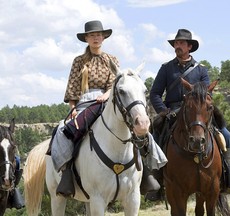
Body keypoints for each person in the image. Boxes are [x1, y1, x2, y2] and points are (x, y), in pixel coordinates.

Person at [51, 20, 162, 198]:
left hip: (110, 101)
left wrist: (108, 94)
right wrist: (73, 108)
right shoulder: (79, 61)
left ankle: (146, 172)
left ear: (104, 37)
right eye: (92, 35)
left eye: (99, 35)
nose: (96, 38)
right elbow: (72, 87)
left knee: (138, 128)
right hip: (85, 103)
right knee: (67, 131)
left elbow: (118, 84)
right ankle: (67, 173)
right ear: (86, 38)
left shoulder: (112, 60)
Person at [148, 29, 230, 200]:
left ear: (189, 47)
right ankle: (155, 180)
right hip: (172, 111)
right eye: (176, 43)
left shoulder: (201, 70)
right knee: (154, 136)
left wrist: (199, 107)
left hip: (198, 111)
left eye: (181, 43)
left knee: (227, 136)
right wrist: (164, 111)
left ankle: (227, 175)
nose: (178, 46)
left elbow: (207, 93)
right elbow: (155, 94)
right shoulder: (166, 68)